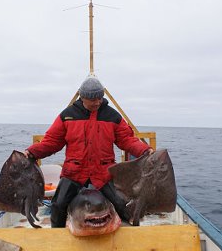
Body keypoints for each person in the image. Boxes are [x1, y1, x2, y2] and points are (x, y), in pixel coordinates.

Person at [24, 75, 153, 227]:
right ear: (82, 97)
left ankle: (127, 235)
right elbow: (51, 142)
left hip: (103, 172)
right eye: (93, 99)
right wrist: (31, 152)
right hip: (74, 172)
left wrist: (145, 150)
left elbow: (127, 139)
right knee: (58, 206)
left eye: (100, 98)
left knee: (123, 205)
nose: (97, 102)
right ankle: (57, 236)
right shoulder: (67, 115)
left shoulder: (112, 116)